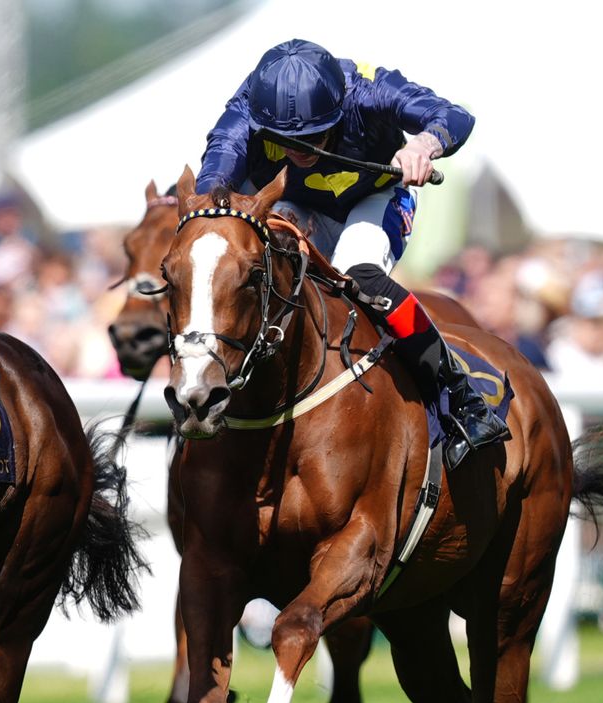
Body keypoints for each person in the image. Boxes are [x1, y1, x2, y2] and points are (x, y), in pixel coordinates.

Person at [194, 38, 507, 468]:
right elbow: (216, 173)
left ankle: (462, 399)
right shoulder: (247, 109)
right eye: (287, 140)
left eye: (311, 137)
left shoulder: (367, 90)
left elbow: (453, 115)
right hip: (297, 208)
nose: (300, 150)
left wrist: (422, 146)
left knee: (358, 273)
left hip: (375, 199)